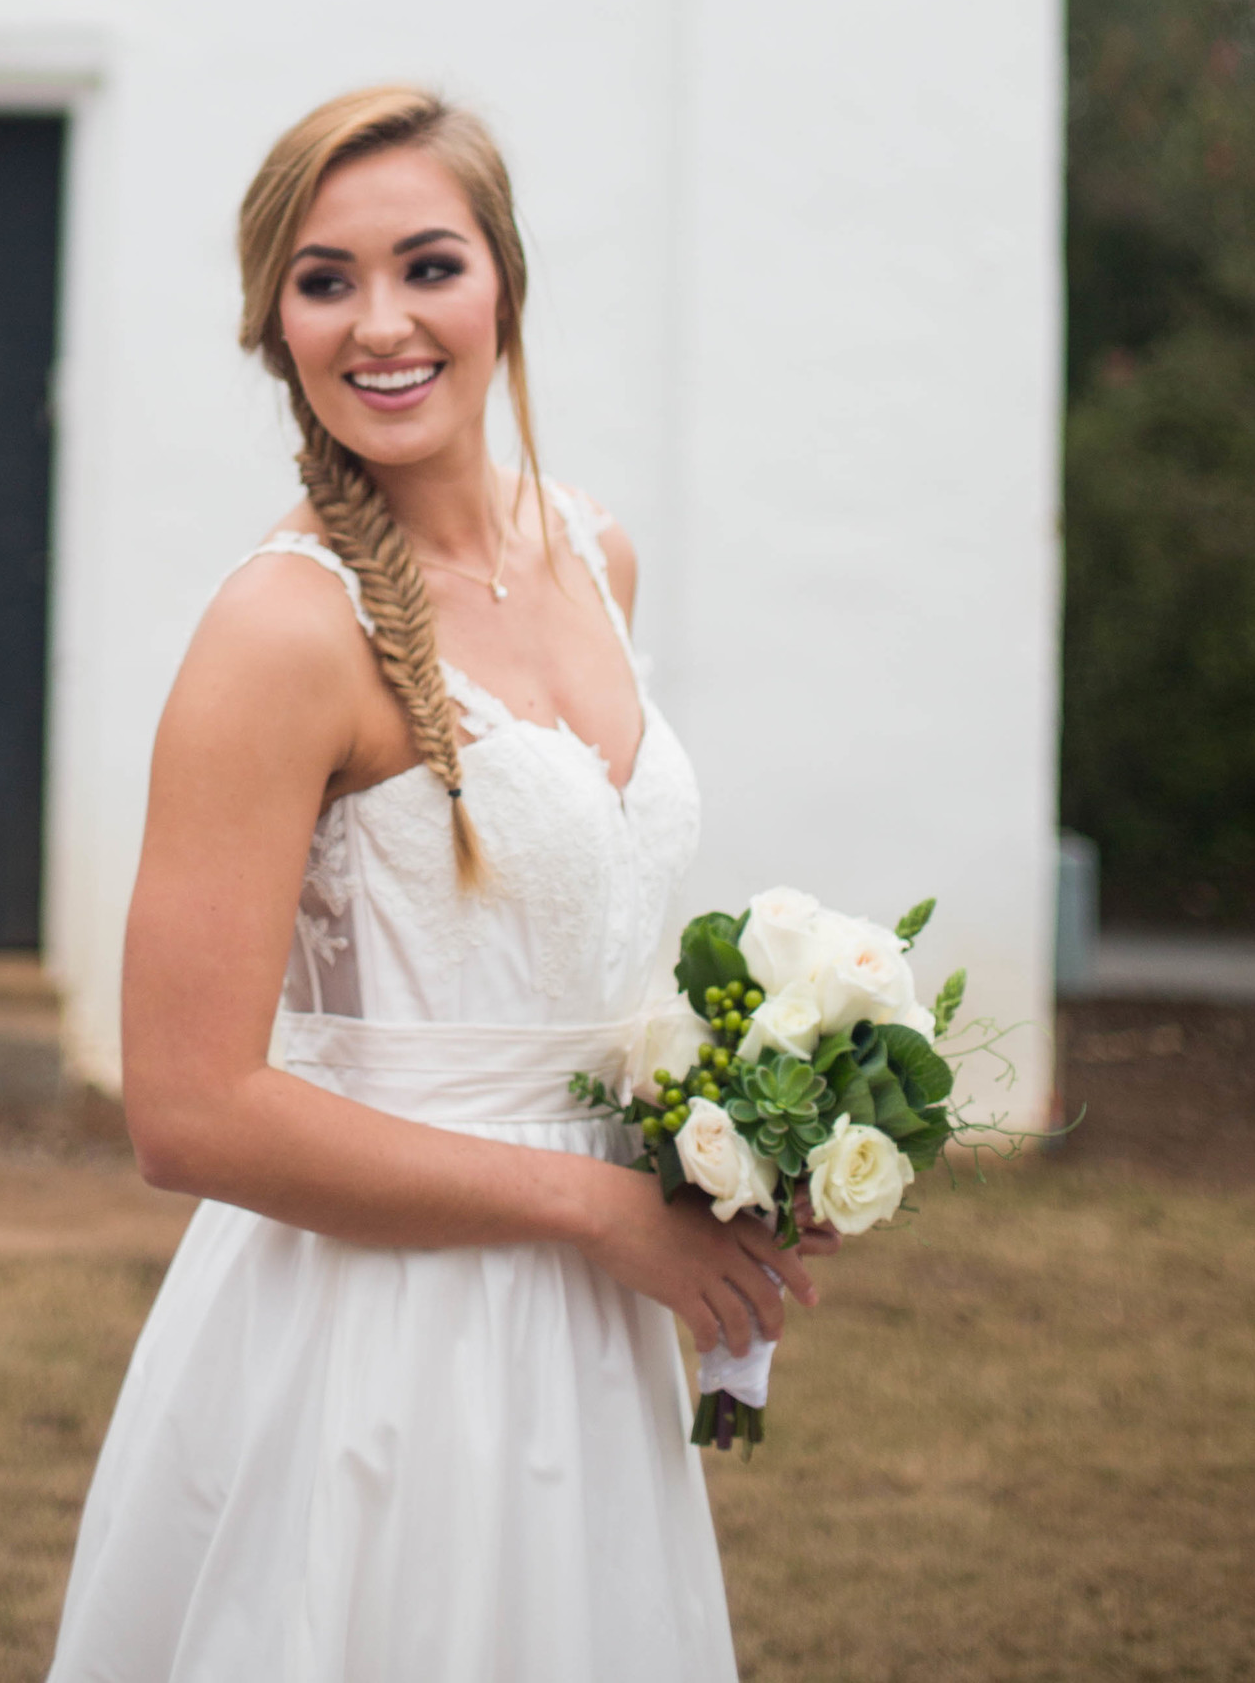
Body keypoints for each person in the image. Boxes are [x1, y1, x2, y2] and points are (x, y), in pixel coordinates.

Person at [46, 84, 818, 1683]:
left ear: (505, 286)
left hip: (591, 1334)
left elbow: (563, 947)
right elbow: (185, 1109)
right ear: (275, 325)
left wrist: (735, 1145)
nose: (379, 321)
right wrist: (591, 1206)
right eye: (324, 279)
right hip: (374, 1346)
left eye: (428, 264)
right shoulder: (282, 632)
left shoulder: (593, 554)